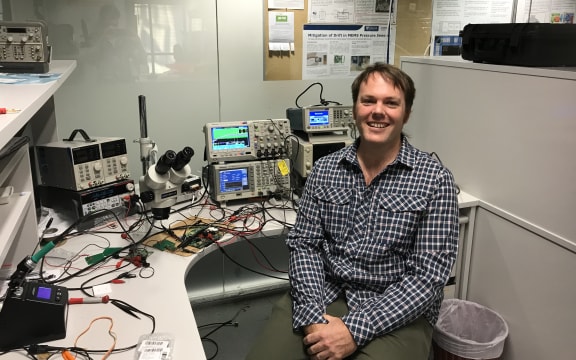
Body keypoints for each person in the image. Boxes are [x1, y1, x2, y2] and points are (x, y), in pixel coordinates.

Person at [246, 62, 459, 360]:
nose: (377, 111)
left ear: (406, 113)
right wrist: (310, 316)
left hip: (395, 307)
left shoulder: (435, 180)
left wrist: (353, 330)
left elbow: (427, 278)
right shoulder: (325, 169)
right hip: (324, 292)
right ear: (355, 108)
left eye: (391, 103)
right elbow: (305, 245)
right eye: (368, 100)